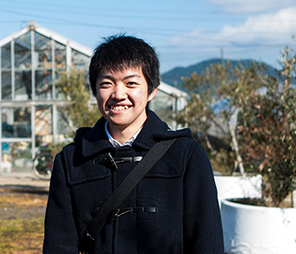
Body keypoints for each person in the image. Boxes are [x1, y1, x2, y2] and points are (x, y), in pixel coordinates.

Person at [43, 35, 223, 253]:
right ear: (95, 91)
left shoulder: (186, 156)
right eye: (107, 83)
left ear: (152, 90)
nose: (119, 95)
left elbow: (207, 242)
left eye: (131, 83)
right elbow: (59, 245)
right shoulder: (71, 160)